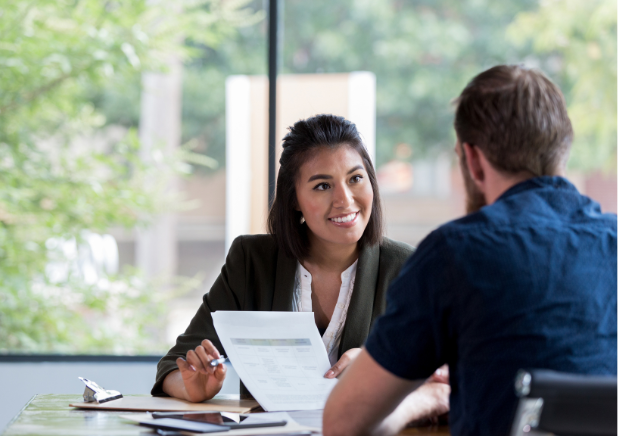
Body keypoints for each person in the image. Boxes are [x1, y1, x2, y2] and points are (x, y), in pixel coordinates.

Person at [323, 65, 617, 436]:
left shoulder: (455, 253)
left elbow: (342, 423)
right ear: (563, 147)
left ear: (473, 160)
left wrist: (425, 399)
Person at [152, 114, 449, 423]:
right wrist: (191, 388)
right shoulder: (251, 261)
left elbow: (446, 377)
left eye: (355, 179)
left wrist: (380, 367)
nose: (344, 200)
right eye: (322, 186)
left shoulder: (408, 269)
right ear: (294, 199)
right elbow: (174, 365)